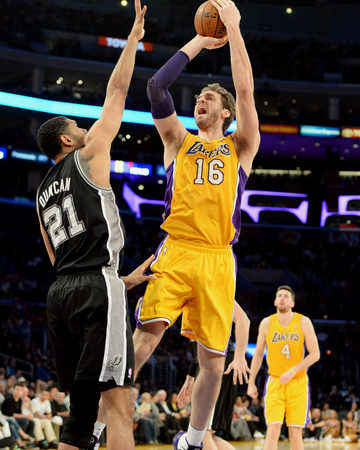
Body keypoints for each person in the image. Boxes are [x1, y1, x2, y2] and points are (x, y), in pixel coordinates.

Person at [133, 0, 260, 448]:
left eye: (209, 98)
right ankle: (100, 414)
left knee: (212, 360)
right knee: (145, 338)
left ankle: (193, 438)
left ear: (224, 113)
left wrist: (235, 30)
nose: (200, 101)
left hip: (218, 257)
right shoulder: (177, 139)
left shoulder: (240, 146)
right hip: (177, 247)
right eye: (199, 98)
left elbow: (245, 92)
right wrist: (200, 43)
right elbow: (155, 86)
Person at [35, 2, 149, 449]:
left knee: (80, 413)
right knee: (120, 408)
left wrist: (118, 282)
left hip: (60, 295)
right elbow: (117, 91)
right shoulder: (89, 153)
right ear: (67, 139)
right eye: (77, 127)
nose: (86, 128)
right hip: (96, 290)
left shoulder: (40, 196)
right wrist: (134, 39)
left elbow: (58, 260)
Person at [247, 285, 320, 450]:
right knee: (273, 429)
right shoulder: (266, 323)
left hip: (298, 382)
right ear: (274, 301)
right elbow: (258, 355)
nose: (282, 298)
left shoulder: (303, 321)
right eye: (279, 295)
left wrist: (293, 369)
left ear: (293, 303)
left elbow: (315, 354)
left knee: (295, 432)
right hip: (275, 381)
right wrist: (251, 382)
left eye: (286, 296)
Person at [177, 302, 252, 450]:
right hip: (208, 364)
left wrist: (240, 355)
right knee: (207, 434)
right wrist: (189, 378)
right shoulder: (192, 292)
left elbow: (244, 320)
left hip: (219, 363)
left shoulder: (213, 286)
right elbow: (199, 349)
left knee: (202, 432)